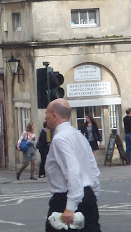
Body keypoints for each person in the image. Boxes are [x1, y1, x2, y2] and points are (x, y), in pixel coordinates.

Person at [45, 98, 101, 232]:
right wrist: (92, 196)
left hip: (66, 199)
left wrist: (70, 207)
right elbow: (93, 168)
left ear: (54, 115)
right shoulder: (78, 135)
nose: (45, 117)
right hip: (87, 194)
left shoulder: (60, 139)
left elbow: (73, 170)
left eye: (47, 114)